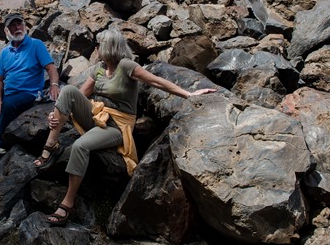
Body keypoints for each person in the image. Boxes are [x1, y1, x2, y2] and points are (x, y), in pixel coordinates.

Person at [35, 28, 215, 225]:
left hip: (117, 126)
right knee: (67, 90)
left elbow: (159, 82)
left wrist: (189, 94)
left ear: (110, 46)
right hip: (98, 115)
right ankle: (50, 147)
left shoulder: (127, 66)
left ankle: (67, 204)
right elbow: (78, 95)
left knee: (80, 146)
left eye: (99, 45)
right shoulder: (100, 68)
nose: (96, 48)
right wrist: (56, 115)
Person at [0, 12, 61, 187]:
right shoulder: (5, 53)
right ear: (6, 30)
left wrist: (54, 84)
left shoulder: (36, 45)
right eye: (13, 26)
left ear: (24, 26)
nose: (17, 28)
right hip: (8, 97)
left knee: (8, 106)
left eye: (19, 24)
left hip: (30, 93)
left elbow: (50, 67)